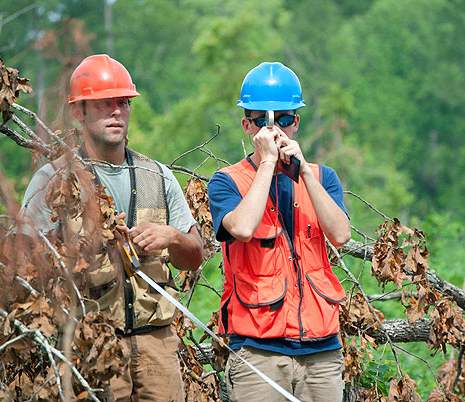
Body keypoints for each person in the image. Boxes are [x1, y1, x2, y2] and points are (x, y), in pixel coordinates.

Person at [19, 54, 203, 402]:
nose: (116, 111)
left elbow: (192, 258)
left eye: (123, 102)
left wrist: (173, 237)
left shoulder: (159, 177)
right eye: (104, 104)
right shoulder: (54, 180)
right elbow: (24, 264)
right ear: (79, 112)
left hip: (156, 343)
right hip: (90, 339)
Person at [207, 62, 351, 402]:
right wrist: (269, 163)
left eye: (284, 119)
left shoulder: (322, 177)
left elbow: (341, 234)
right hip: (259, 350)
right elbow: (241, 228)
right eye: (263, 120)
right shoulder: (227, 181)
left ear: (296, 122)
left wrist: (306, 175)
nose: (275, 129)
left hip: (321, 348)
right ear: (247, 126)